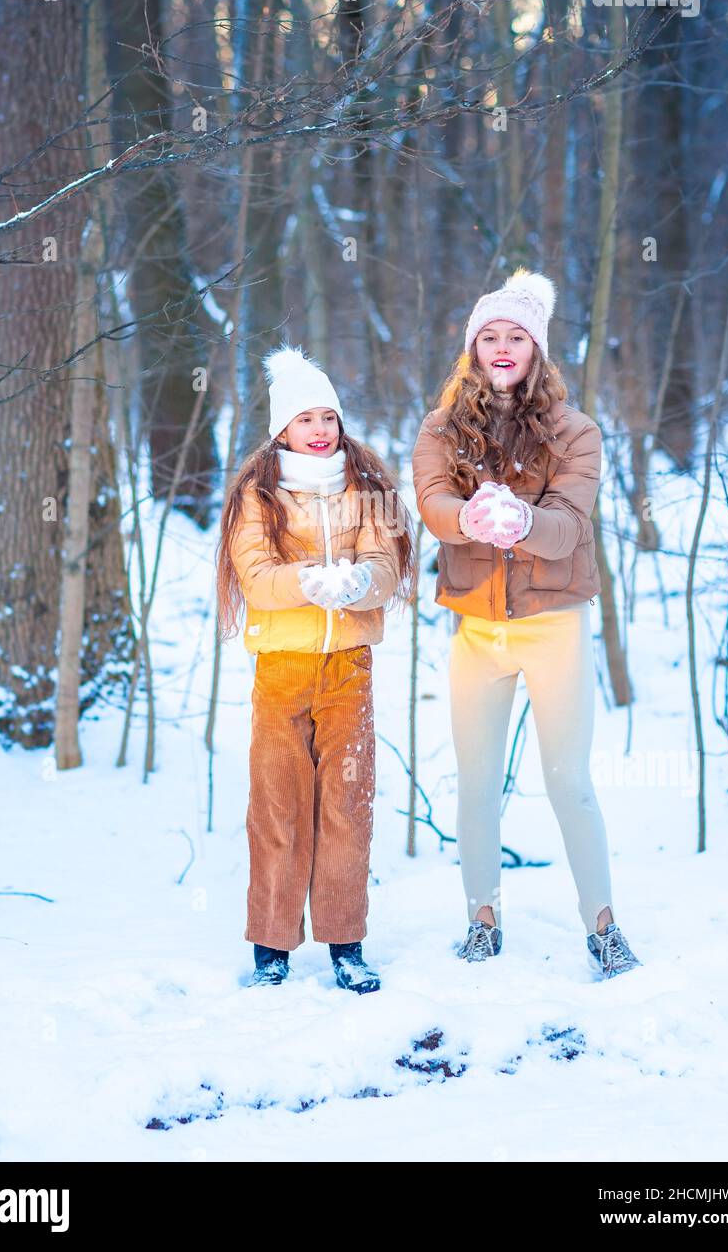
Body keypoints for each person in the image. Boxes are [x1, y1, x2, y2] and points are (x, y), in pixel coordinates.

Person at [411, 268, 642, 980]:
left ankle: (601, 927)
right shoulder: (442, 426)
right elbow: (430, 501)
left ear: (536, 350)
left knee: (568, 779)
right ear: (473, 348)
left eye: (516, 336)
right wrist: (464, 517)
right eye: (490, 336)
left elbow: (570, 527)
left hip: (554, 627)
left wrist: (521, 521)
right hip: (476, 630)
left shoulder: (576, 431)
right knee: (475, 783)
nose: (503, 346)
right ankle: (482, 920)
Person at [216, 345, 416, 992]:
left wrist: (357, 580)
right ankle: (270, 949)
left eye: (328, 417)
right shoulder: (258, 494)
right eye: (306, 419)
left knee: (347, 807)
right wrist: (310, 580)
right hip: (281, 671)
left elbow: (385, 566)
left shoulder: (367, 487)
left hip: (348, 672)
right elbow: (257, 576)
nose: (321, 429)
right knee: (277, 806)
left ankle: (345, 945)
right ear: (282, 428)